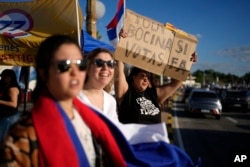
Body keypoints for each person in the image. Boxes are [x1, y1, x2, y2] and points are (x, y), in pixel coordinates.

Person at [0, 35, 127, 167]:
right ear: (44, 73)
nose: (75, 72)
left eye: (80, 64)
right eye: (64, 65)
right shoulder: (22, 135)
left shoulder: (90, 119)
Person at [115, 30, 198, 124]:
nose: (146, 78)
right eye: (142, 75)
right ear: (133, 77)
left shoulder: (153, 94)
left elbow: (177, 82)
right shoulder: (126, 93)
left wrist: (187, 61)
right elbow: (119, 74)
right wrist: (121, 43)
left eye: (148, 76)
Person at [78, 48, 119, 122]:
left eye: (111, 63)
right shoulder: (75, 97)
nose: (105, 68)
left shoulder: (111, 101)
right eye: (99, 62)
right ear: (88, 67)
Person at [0, 69, 21, 142]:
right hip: (4, 116)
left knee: (3, 138)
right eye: (2, 76)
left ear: (11, 77)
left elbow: (13, 104)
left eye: (5, 76)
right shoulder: (4, 86)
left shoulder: (12, 88)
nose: (2, 78)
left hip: (9, 117)